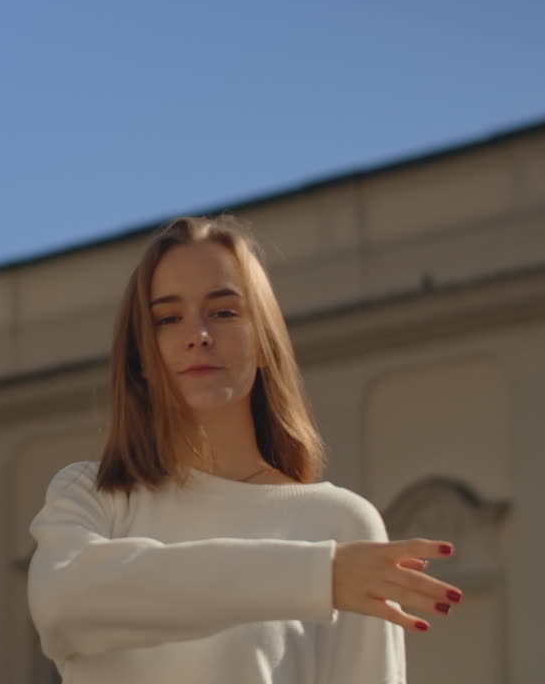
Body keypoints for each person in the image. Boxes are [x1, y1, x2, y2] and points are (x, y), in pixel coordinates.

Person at [27, 215, 464, 683]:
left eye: (224, 311)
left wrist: (321, 568)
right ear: (141, 356)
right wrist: (317, 578)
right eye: (168, 318)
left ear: (265, 338)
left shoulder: (338, 525)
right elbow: (60, 604)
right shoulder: (94, 496)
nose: (199, 335)